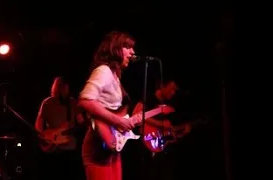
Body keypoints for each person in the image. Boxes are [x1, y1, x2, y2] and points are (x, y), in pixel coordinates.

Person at [77, 30, 143, 180]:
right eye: (127, 46)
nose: (132, 52)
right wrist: (119, 121)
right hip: (97, 145)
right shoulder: (104, 71)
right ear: (115, 48)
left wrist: (125, 120)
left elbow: (113, 111)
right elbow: (85, 100)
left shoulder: (115, 76)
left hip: (110, 145)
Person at [131, 79, 192, 180]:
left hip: (158, 150)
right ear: (161, 85)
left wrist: (181, 134)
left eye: (175, 91)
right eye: (172, 89)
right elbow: (136, 114)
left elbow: (166, 135)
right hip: (143, 150)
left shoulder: (168, 107)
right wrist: (160, 124)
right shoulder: (149, 98)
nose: (173, 93)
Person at [35, 76, 85, 180]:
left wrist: (88, 121)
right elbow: (38, 126)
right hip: (54, 151)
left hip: (70, 150)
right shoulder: (47, 102)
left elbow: (81, 122)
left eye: (63, 87)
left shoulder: (72, 102)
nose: (62, 90)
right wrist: (47, 138)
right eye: (60, 87)